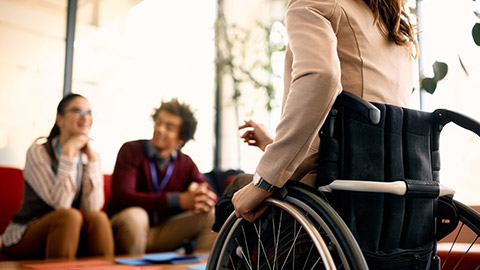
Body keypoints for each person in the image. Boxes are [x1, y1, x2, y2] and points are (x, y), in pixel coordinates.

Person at [232, 0, 417, 222]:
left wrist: (264, 180)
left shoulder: (315, 4)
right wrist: (272, 145)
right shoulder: (393, 25)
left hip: (329, 186)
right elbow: (362, 115)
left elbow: (321, 78)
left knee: (231, 195)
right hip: (389, 186)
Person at [1, 93, 114, 259]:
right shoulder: (38, 152)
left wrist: (93, 161)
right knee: (69, 216)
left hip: (67, 235)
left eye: (89, 112)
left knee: (99, 218)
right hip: (27, 233)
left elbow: (93, 208)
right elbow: (61, 205)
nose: (86, 117)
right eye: (78, 111)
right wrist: (68, 155)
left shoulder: (89, 156)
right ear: (59, 119)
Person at [107, 98, 218, 255]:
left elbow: (212, 196)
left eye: (169, 127)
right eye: (158, 122)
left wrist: (201, 197)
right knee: (137, 216)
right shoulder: (131, 150)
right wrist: (178, 200)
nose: (159, 129)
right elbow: (123, 196)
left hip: (161, 232)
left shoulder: (186, 163)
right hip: (127, 227)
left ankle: (201, 266)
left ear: (181, 139)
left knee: (211, 216)